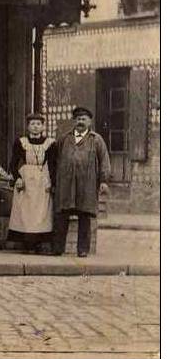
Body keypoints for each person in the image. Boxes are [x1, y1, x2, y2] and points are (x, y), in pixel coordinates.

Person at [51, 106, 111, 258]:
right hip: (66, 184)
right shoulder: (64, 139)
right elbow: (54, 160)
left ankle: (83, 249)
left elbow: (104, 160)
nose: (80, 122)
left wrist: (104, 180)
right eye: (78, 119)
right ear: (74, 121)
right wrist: (54, 180)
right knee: (61, 215)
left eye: (84, 119)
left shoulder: (96, 140)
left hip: (87, 184)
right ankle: (58, 248)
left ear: (89, 121)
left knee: (84, 216)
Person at [8, 113, 58, 254]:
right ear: (28, 126)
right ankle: (26, 243)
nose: (35, 127)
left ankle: (40, 243)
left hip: (43, 178)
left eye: (38, 124)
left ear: (43, 126)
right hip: (26, 178)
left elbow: (54, 164)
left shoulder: (50, 143)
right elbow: (13, 163)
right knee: (25, 210)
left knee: (41, 210)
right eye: (32, 124)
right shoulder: (21, 142)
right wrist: (17, 177)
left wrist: (52, 182)